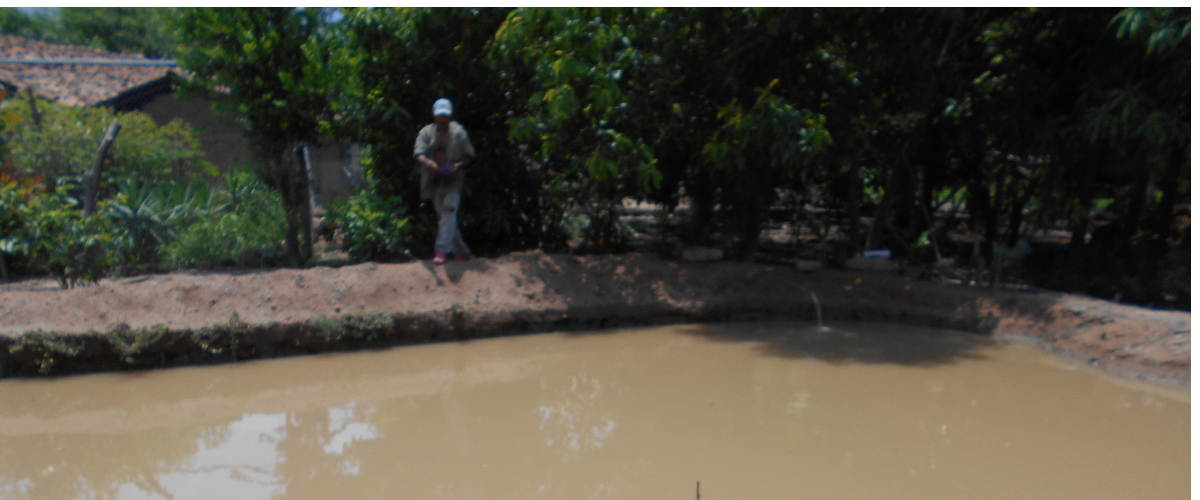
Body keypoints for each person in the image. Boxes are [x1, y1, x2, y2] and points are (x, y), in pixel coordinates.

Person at [413, 98, 476, 264]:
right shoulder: (426, 132)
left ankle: (441, 250)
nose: (442, 119)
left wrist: (457, 166)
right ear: (435, 116)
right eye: (439, 115)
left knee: (448, 212)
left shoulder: (459, 132)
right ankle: (462, 251)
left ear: (450, 116)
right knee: (446, 218)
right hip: (434, 180)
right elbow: (419, 153)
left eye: (445, 116)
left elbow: (470, 156)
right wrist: (430, 163)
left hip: (453, 180)